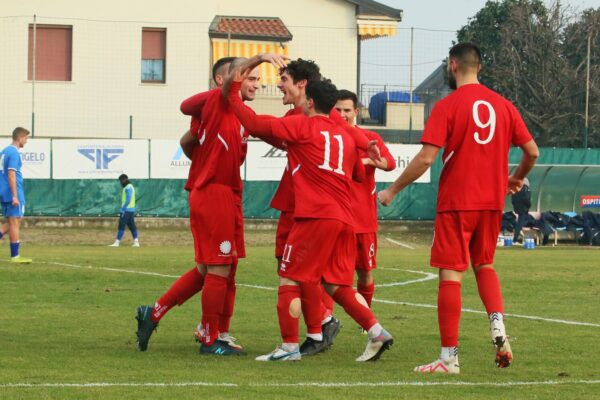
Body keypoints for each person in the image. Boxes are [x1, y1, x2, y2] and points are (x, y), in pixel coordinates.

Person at [378, 42, 539, 374]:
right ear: (478, 67)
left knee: (451, 273)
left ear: (453, 65)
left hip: (457, 202)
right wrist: (516, 178)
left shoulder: (447, 106)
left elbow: (425, 158)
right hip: (491, 203)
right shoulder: (504, 106)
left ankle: (449, 357)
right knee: (484, 265)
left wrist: (392, 190)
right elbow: (532, 151)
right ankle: (497, 325)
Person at [228, 73, 393, 362]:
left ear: (311, 101)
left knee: (289, 278)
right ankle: (376, 331)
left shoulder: (303, 125)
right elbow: (356, 173)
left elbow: (255, 124)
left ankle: (289, 347)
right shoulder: (343, 135)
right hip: (345, 219)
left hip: (315, 217)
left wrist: (231, 94)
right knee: (335, 285)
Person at [135, 55, 287, 355]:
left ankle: (155, 312)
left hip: (226, 193)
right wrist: (259, 57)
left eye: (257, 78)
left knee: (218, 268)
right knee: (219, 267)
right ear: (223, 81)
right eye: (251, 77)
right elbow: (189, 125)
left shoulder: (239, 113)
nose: (256, 82)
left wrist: (203, 160)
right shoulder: (219, 101)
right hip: (214, 193)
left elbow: (188, 140)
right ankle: (209, 337)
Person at [271, 59, 342, 355]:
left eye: (284, 79)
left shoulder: (329, 118)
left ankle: (325, 321)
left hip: (315, 209)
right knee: (285, 264)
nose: (279, 85)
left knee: (300, 271)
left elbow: (351, 148)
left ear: (302, 85)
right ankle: (319, 327)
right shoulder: (292, 115)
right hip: (294, 203)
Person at [335, 90, 396, 318]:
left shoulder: (369, 138)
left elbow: (389, 163)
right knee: (328, 276)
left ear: (356, 112)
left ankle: (366, 320)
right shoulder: (328, 138)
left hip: (363, 220)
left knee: (364, 272)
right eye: (338, 110)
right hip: (335, 219)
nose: (342, 114)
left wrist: (370, 160)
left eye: (347, 110)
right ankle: (325, 322)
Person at [0, 127, 33, 263]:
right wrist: (14, 195)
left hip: (4, 190)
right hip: (12, 191)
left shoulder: (4, 151)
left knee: (14, 221)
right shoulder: (13, 153)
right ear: (20, 138)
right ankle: (15, 256)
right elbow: (11, 174)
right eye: (26, 138)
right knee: (14, 222)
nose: (26, 141)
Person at [109, 174, 139, 247]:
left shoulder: (128, 187)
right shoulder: (130, 186)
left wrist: (123, 208)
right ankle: (136, 242)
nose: (120, 183)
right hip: (131, 210)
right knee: (132, 226)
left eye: (120, 181)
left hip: (126, 210)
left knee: (121, 226)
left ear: (124, 180)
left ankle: (117, 242)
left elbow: (128, 199)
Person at [511, 177, 531, 243]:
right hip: (524, 209)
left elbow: (513, 200)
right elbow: (526, 199)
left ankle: (519, 230)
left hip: (517, 208)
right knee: (520, 223)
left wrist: (516, 205)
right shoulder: (526, 189)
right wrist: (529, 205)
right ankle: (515, 239)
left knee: (526, 219)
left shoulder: (516, 188)